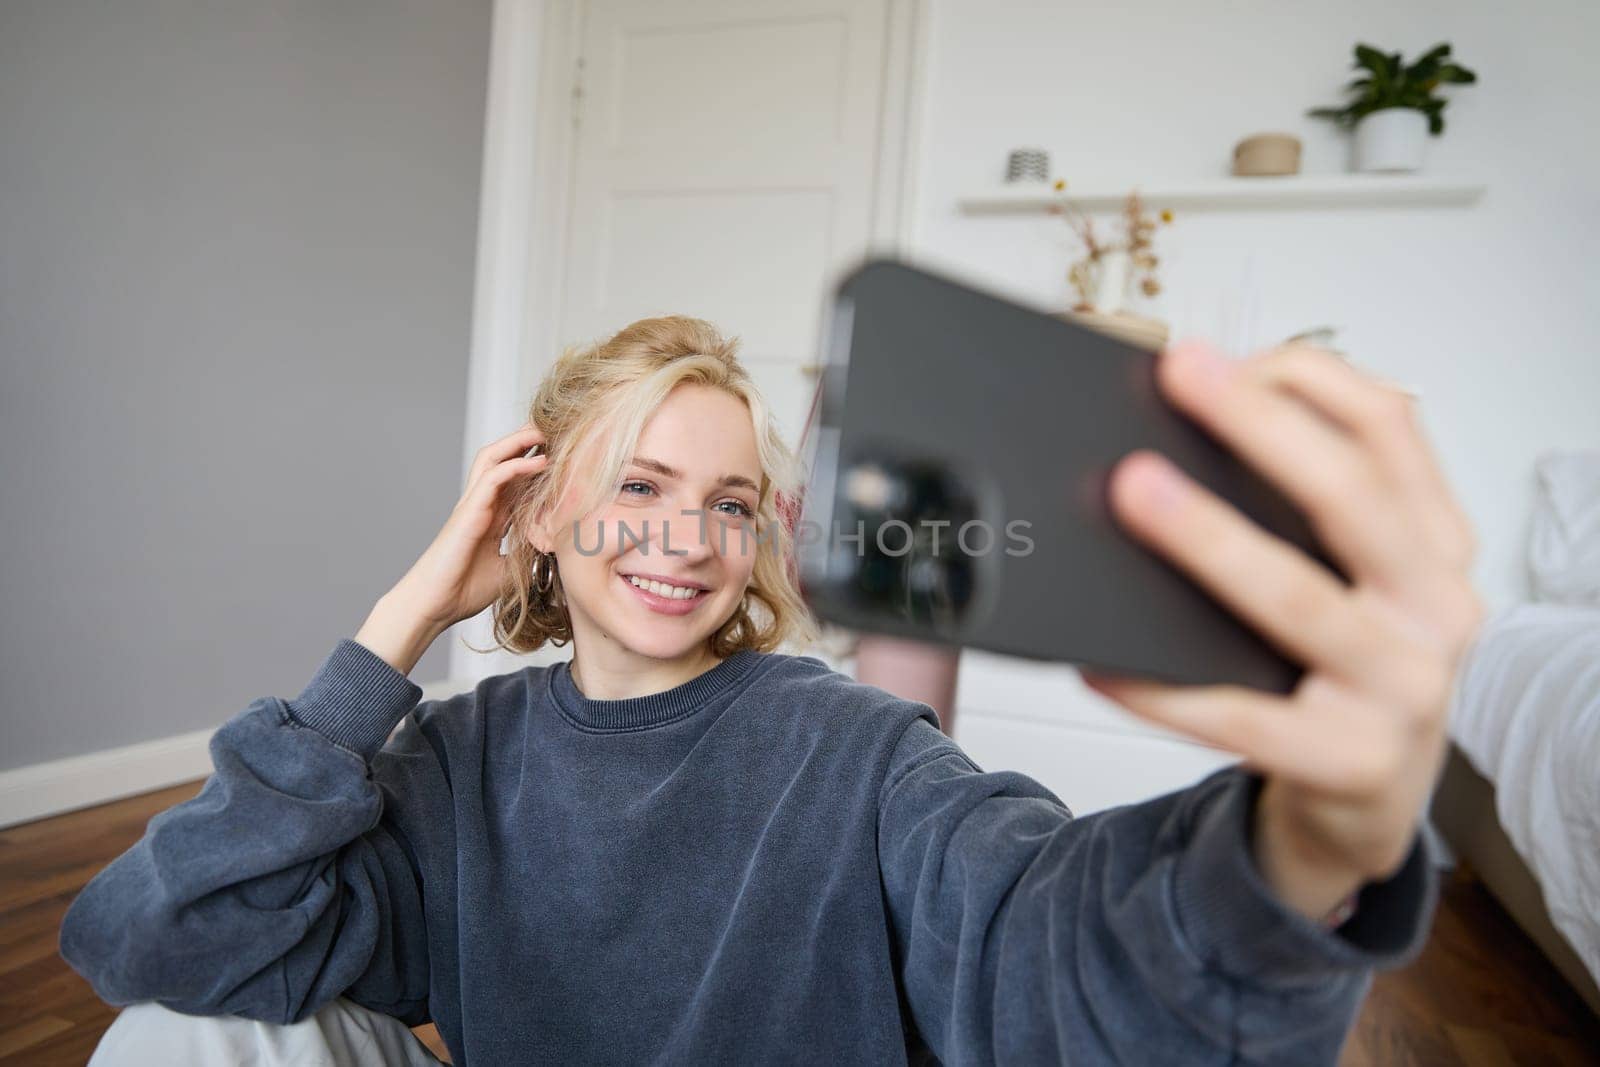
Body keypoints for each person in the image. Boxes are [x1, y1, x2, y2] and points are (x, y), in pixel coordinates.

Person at [60, 315, 1485, 1065]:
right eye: (640, 485)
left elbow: (1043, 949)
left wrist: (1308, 849)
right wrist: (390, 638)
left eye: (730, 501)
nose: (688, 536)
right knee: (181, 1033)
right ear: (536, 515)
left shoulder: (855, 749)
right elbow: (148, 938)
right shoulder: (451, 758)